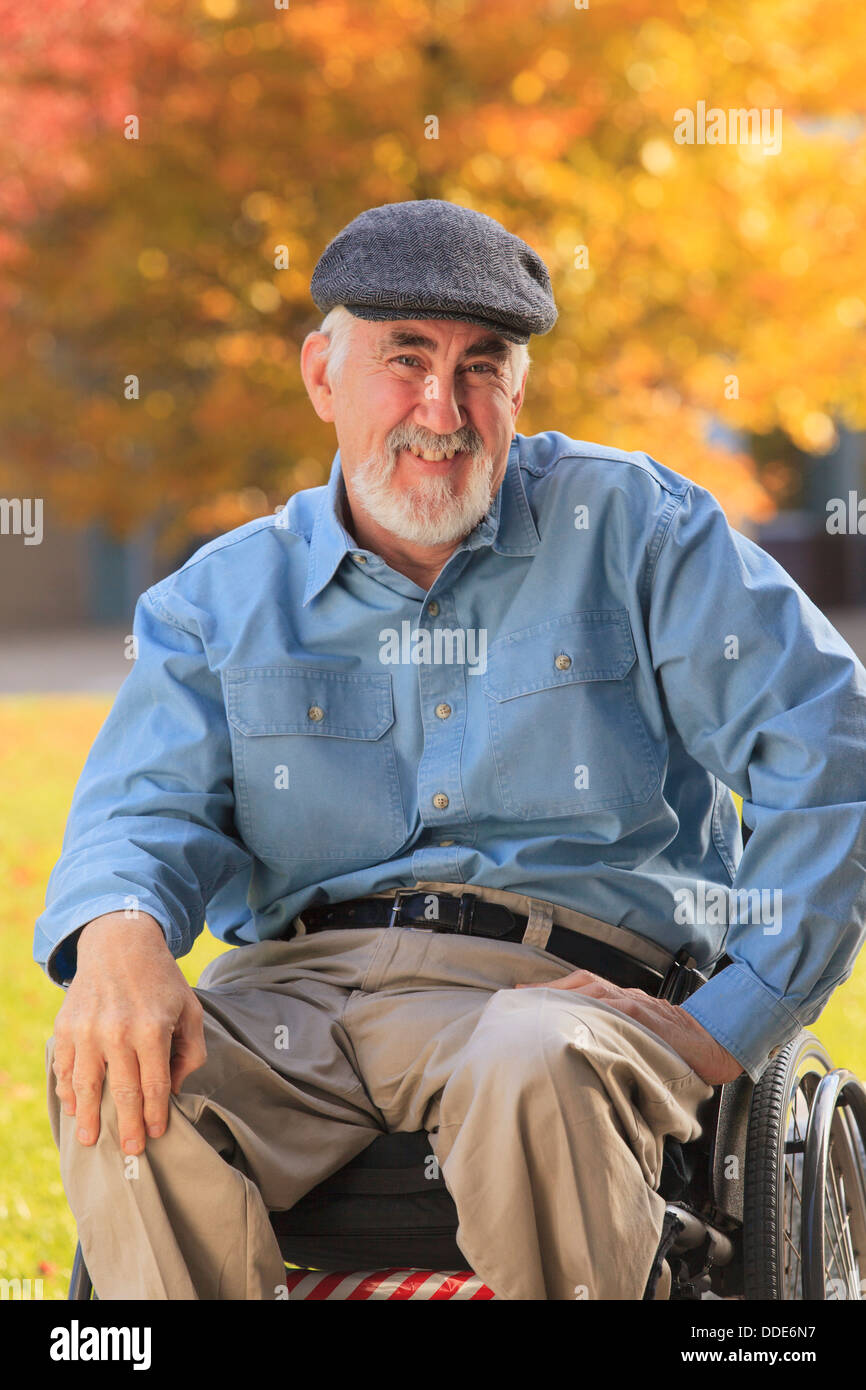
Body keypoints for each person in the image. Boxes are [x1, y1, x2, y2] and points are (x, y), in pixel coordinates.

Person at [36, 200, 866, 1300]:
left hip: (564, 987)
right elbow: (141, 812)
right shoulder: (221, 598)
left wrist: (732, 1020)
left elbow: (827, 744)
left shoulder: (633, 529)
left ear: (517, 390)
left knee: (530, 1053)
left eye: (481, 365)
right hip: (301, 999)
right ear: (323, 375)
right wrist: (118, 941)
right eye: (405, 359)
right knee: (120, 1080)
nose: (442, 406)